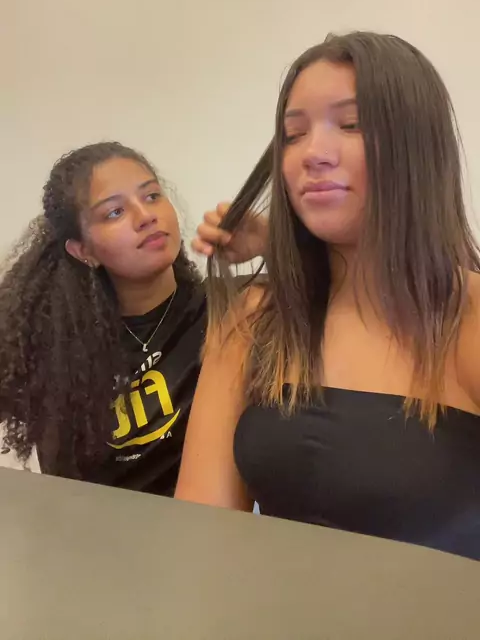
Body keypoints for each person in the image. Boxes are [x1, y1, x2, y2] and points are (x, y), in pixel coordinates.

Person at [177, 31, 480, 561]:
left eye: (352, 124)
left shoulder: (466, 318)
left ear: (418, 144)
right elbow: (201, 536)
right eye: (293, 135)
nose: (312, 154)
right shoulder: (253, 319)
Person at [0, 142, 266, 495]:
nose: (145, 216)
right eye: (114, 212)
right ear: (83, 250)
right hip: (87, 525)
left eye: (152, 196)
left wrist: (271, 240)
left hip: (203, 524)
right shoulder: (56, 344)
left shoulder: (232, 310)